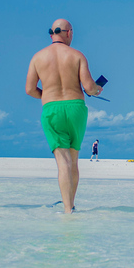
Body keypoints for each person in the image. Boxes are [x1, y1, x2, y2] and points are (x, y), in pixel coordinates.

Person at [25, 19, 103, 214]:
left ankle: (67, 208)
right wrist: (97, 89)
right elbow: (89, 87)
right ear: (68, 33)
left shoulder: (38, 57)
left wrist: (47, 96)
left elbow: (29, 89)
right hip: (76, 107)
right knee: (73, 160)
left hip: (52, 108)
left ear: (52, 33)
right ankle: (72, 204)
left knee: (63, 161)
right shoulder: (77, 55)